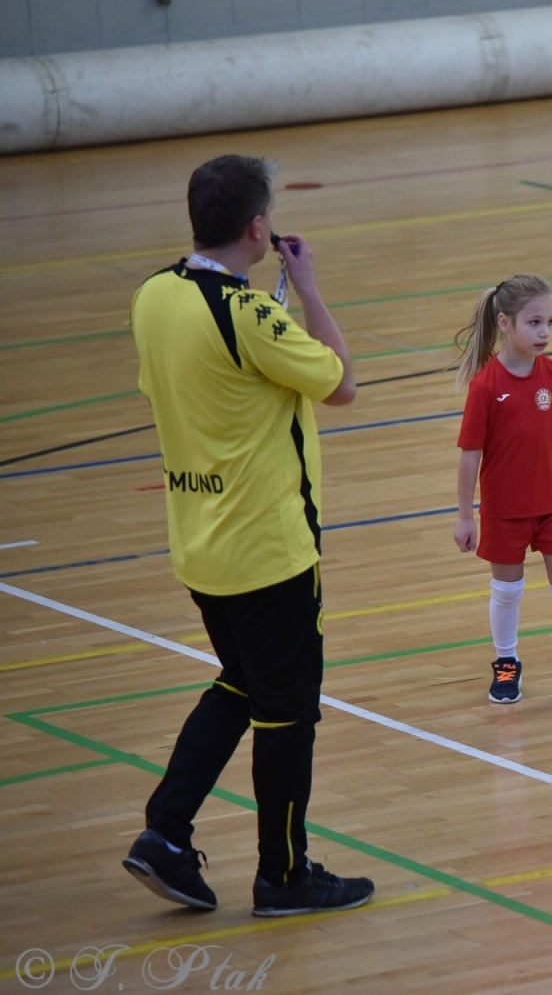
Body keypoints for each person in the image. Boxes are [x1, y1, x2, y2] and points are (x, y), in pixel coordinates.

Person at [123, 154, 374, 917]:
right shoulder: (250, 315)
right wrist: (309, 292)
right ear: (258, 227)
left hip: (199, 542)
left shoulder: (154, 296)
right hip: (268, 551)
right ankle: (284, 876)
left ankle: (164, 831)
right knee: (288, 711)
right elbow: (340, 381)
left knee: (242, 683)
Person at [452, 274, 552, 706]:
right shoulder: (485, 386)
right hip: (504, 511)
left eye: (551, 323)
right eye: (535, 322)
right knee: (506, 591)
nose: (545, 332)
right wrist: (466, 515)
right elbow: (470, 454)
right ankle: (506, 662)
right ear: (505, 324)